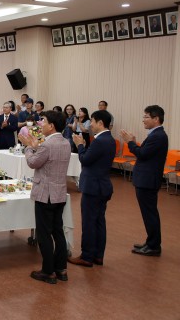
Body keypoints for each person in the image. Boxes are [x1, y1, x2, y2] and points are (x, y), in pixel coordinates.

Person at [19, 110, 71, 284]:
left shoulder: (47, 144)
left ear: (52, 126)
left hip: (45, 193)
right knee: (58, 231)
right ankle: (61, 269)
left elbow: (33, 162)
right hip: (59, 192)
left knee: (43, 234)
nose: (41, 124)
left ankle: (48, 271)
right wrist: (36, 147)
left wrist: (28, 147)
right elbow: (49, 160)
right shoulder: (65, 142)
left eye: (44, 121)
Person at [68, 110, 116, 267]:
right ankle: (98, 255)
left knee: (89, 222)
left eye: (93, 122)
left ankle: (87, 256)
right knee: (99, 221)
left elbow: (85, 159)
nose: (91, 125)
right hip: (102, 185)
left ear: (100, 123)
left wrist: (80, 145)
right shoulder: (109, 139)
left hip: (93, 187)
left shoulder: (100, 141)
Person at [120, 105, 168, 257]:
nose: (143, 120)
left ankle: (154, 246)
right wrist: (134, 143)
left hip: (148, 181)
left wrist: (130, 143)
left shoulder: (158, 136)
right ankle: (150, 242)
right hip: (146, 179)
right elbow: (145, 153)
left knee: (150, 213)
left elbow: (142, 154)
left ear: (156, 118)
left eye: (146, 117)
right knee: (148, 213)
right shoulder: (155, 134)